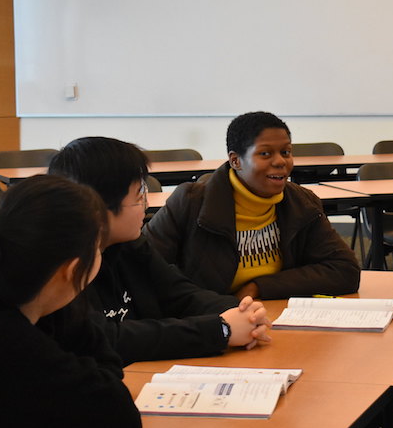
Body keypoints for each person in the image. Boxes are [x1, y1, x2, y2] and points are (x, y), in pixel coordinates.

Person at [0, 175, 142, 428]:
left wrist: (59, 299)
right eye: (96, 251)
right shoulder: (7, 340)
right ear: (72, 270)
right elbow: (117, 413)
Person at [48, 137, 271, 366]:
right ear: (99, 209)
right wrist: (220, 330)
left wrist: (243, 314)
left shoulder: (131, 245)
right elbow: (109, 339)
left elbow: (181, 295)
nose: (146, 205)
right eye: (138, 196)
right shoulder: (64, 268)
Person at [143, 111, 361, 300]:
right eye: (265, 153)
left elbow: (344, 270)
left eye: (286, 152)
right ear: (236, 161)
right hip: (207, 320)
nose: (280, 162)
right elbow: (143, 267)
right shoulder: (191, 202)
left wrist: (258, 287)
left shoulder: (302, 203)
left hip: (271, 315)